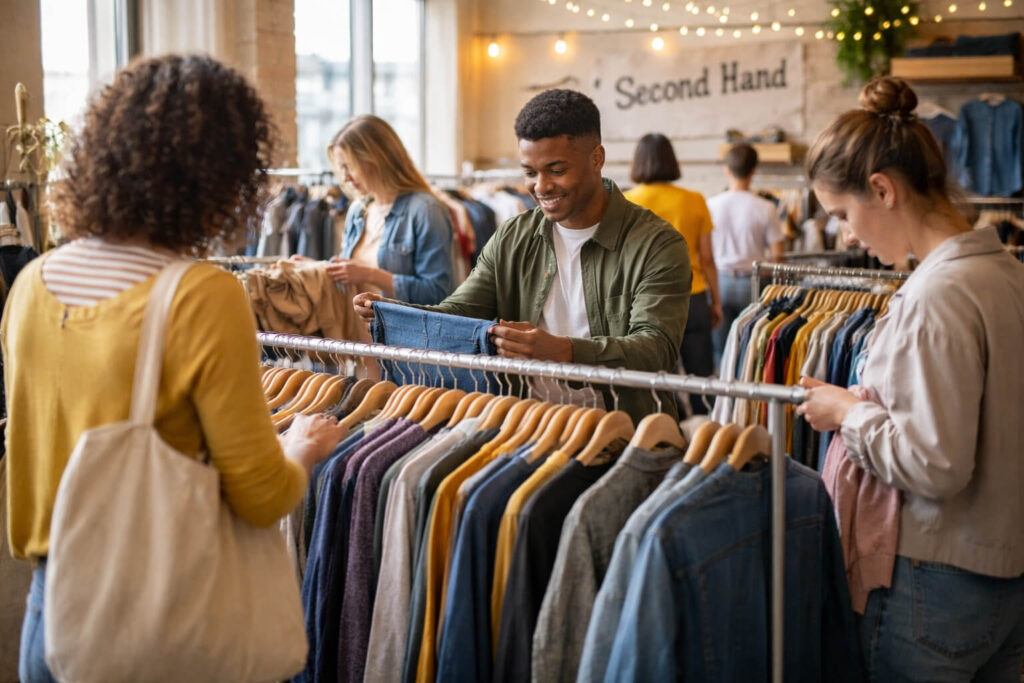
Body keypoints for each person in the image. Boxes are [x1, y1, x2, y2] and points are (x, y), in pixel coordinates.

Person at [1, 55, 346, 682]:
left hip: (51, 613)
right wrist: (301, 447)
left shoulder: (31, 284)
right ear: (219, 177)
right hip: (152, 616)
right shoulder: (200, 295)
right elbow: (261, 497)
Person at [797, 76, 1024, 680]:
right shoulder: (1006, 272)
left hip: (934, 579)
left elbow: (935, 463)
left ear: (882, 189)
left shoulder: (937, 295)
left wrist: (848, 413)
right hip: (1004, 575)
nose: (846, 235)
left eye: (843, 214)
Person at [353, 89, 691, 424]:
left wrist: (564, 351)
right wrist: (394, 313)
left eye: (556, 170)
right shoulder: (513, 236)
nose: (541, 186)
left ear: (596, 158)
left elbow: (656, 348)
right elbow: (460, 311)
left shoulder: (657, 244)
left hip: (624, 429)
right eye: (530, 173)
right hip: (525, 424)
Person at [624, 133, 721, 415]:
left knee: (661, 377)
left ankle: (671, 430)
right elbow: (707, 258)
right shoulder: (694, 199)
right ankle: (707, 430)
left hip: (648, 302)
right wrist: (716, 301)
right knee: (701, 376)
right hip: (693, 296)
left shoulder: (626, 201)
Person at [323, 115, 455, 305]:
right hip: (354, 324)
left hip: (398, 325)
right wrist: (314, 269)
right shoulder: (357, 211)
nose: (345, 178)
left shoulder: (426, 211)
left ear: (377, 160)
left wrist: (370, 274)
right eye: (340, 168)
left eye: (349, 167)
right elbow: (349, 277)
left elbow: (437, 293)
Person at [706, 143, 785, 366]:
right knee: (751, 348)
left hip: (719, 281)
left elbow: (705, 253)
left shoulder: (711, 204)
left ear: (726, 170)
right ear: (753, 170)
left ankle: (722, 387)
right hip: (754, 283)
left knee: (721, 349)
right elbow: (778, 256)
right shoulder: (766, 207)